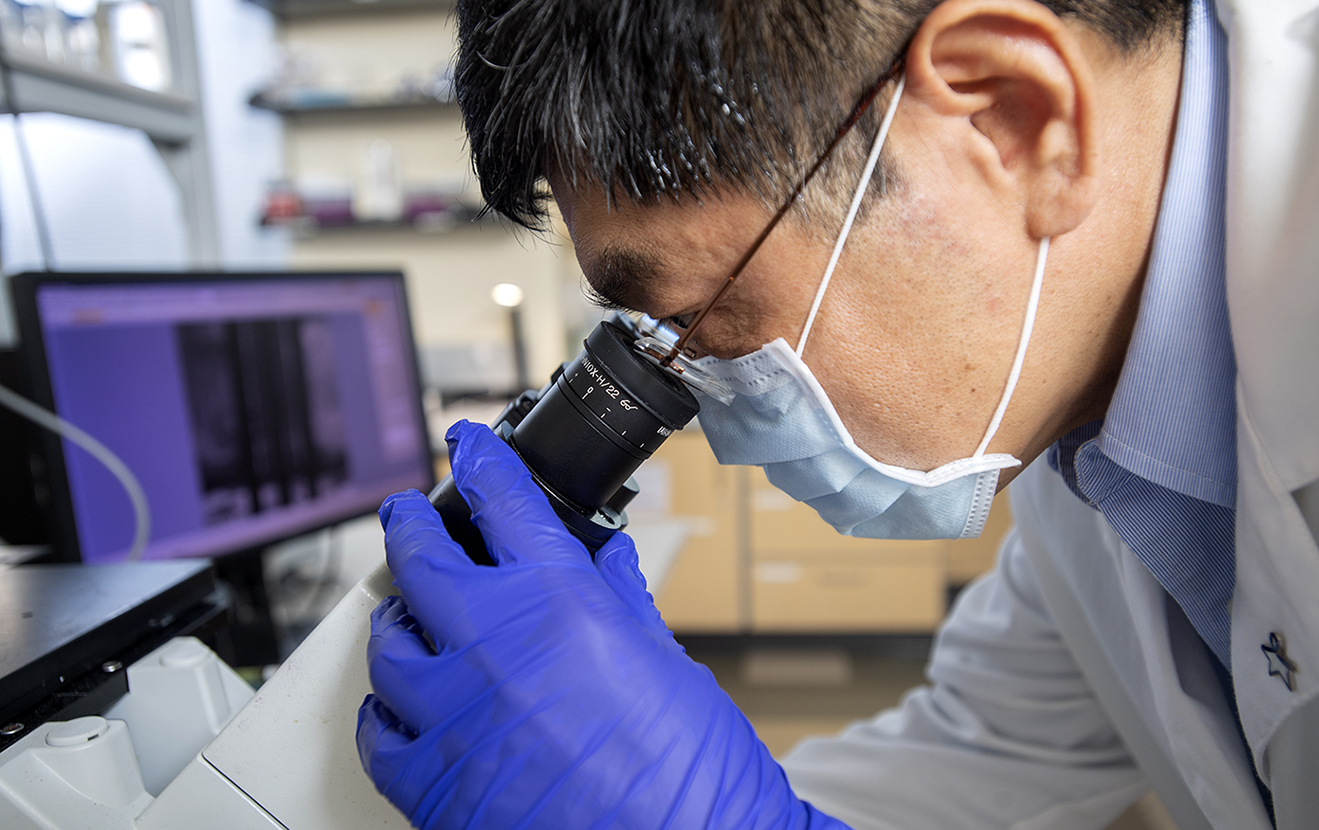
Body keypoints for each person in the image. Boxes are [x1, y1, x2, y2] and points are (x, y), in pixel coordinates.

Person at [355, 0, 1319, 827]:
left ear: (1010, 119)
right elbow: (975, 759)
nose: (726, 438)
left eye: (700, 318)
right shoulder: (1092, 440)